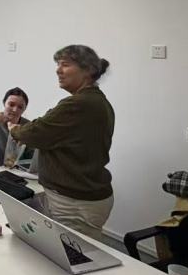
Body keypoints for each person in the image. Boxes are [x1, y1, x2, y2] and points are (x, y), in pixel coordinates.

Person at [8, 45, 115, 240]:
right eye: (58, 65)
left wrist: (14, 129)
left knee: (72, 254)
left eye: (65, 64)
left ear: (88, 70)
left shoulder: (78, 104)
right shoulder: (96, 101)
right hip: (81, 197)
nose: (58, 70)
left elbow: (36, 132)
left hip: (75, 202)